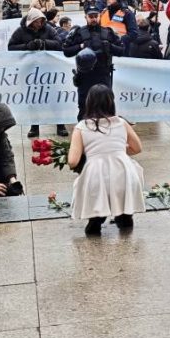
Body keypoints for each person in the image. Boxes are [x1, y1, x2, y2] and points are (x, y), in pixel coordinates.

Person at [68, 85, 146, 235]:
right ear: (111, 102)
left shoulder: (81, 127)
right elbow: (137, 148)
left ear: (88, 103)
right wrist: (117, 150)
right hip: (124, 175)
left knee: (91, 186)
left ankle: (96, 218)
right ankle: (124, 215)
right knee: (129, 174)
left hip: (96, 177)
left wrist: (89, 152)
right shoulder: (121, 123)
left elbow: (73, 161)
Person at [8, 9, 65, 138]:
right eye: (37, 21)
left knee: (55, 98)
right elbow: (11, 47)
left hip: (48, 70)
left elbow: (59, 43)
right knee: (33, 100)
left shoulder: (48, 29)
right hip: (30, 72)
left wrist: (45, 43)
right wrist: (27, 46)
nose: (40, 23)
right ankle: (34, 127)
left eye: (42, 21)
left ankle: (60, 125)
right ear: (31, 22)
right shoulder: (20, 31)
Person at [64, 8, 125, 120]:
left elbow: (122, 51)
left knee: (107, 106)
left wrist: (110, 47)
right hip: (85, 76)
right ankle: (82, 133)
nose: (93, 19)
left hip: (103, 74)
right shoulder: (78, 33)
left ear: (99, 16)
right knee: (84, 107)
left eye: (95, 16)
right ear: (86, 17)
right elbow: (66, 51)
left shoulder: (108, 32)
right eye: (90, 16)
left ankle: (108, 132)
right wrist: (80, 46)